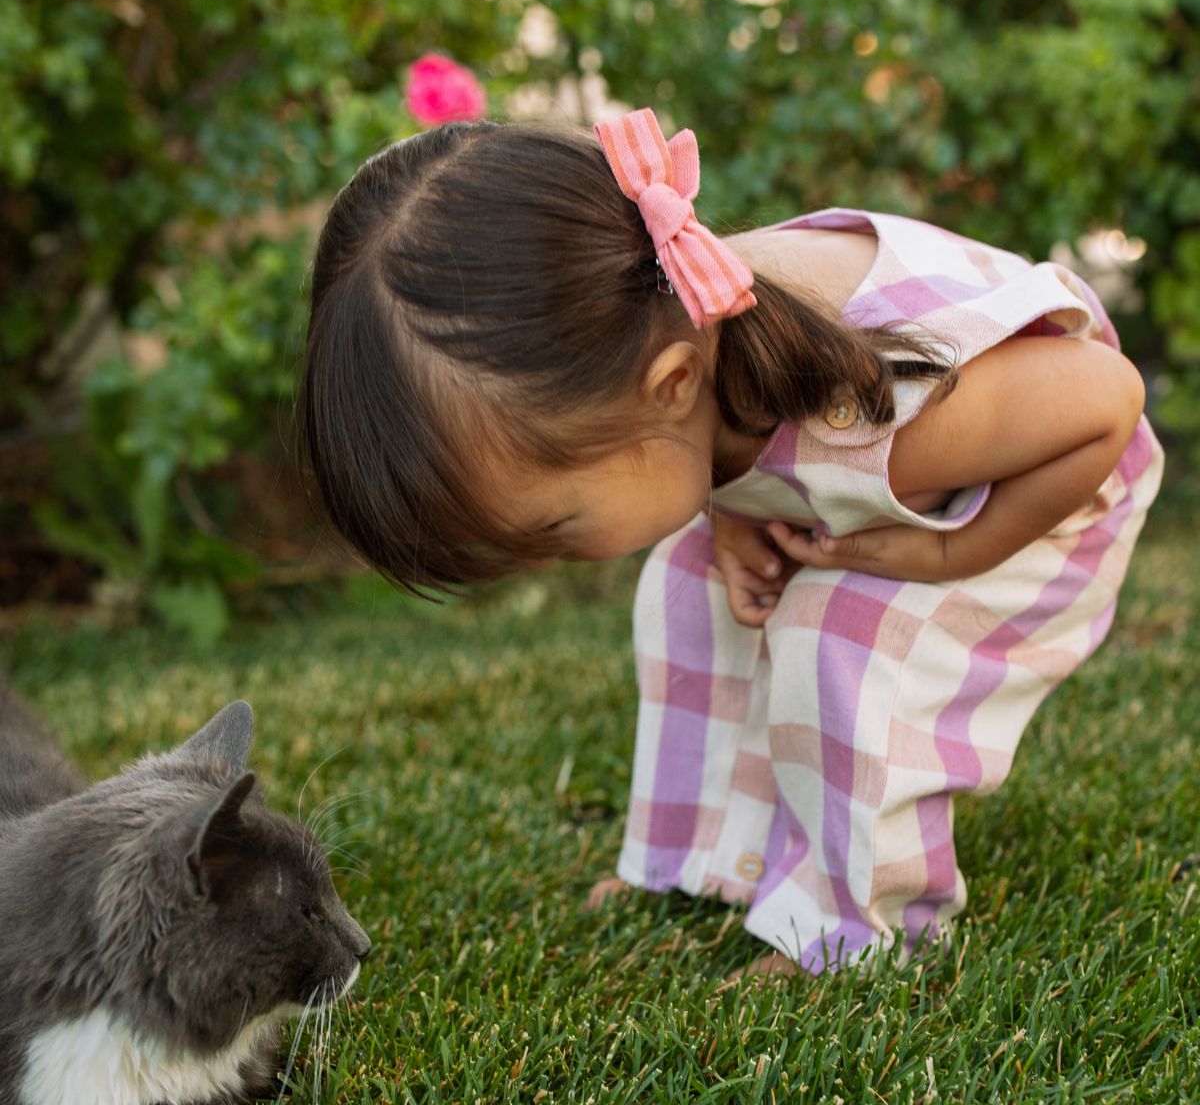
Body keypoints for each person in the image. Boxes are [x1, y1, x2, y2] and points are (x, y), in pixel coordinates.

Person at [300, 107, 1163, 976]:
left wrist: (952, 555)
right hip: (878, 486)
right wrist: (735, 513)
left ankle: (857, 930)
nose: (553, 562)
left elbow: (1104, 398)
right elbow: (735, 446)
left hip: (1034, 504)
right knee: (686, 585)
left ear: (672, 387)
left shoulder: (894, 406)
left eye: (555, 532)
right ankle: (705, 855)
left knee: (841, 635)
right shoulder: (678, 331)